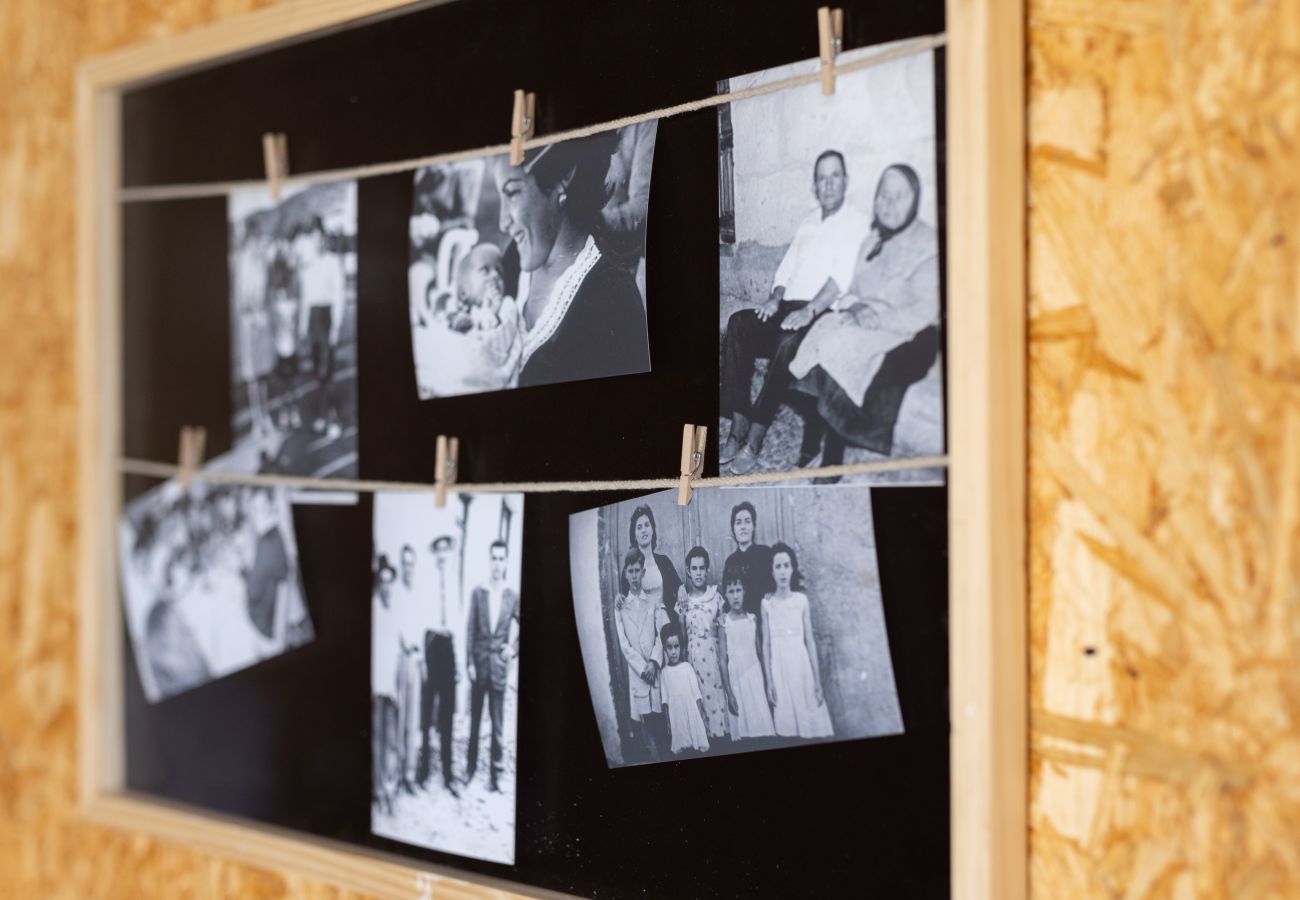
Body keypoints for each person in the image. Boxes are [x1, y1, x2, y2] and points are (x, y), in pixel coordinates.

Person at [720, 149, 871, 474]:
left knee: (789, 343)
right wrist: (774, 298)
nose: (828, 184)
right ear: (815, 185)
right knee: (738, 324)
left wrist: (809, 311)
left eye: (834, 176)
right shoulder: (808, 223)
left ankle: (756, 438)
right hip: (789, 307)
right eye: (822, 178)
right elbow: (786, 271)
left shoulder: (855, 222)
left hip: (823, 312)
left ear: (845, 181)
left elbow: (839, 279)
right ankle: (739, 426)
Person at [786, 163, 941, 473]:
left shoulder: (928, 243)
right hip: (862, 322)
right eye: (883, 195)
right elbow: (850, 291)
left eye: (899, 196)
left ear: (915, 200)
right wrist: (856, 308)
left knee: (837, 346)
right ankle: (820, 425)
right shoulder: (871, 242)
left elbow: (926, 309)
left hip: (905, 331)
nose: (889, 204)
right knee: (816, 335)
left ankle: (833, 447)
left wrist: (875, 318)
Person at [492, 133, 650, 387]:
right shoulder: (512, 261)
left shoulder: (612, 300)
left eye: (512, 193)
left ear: (561, 177)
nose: (503, 222)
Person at [761, 543, 834, 740]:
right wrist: (769, 682)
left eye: (787, 565)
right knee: (788, 727)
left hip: (801, 667)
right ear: (771, 571)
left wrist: (817, 680)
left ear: (793, 568)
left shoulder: (801, 601)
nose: (783, 571)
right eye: (778, 566)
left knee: (809, 721)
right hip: (780, 668)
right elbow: (766, 645)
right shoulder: (767, 603)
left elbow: (809, 640)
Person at [466, 539, 519, 792]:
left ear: (506, 561)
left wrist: (513, 648)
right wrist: (470, 663)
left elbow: (523, 625)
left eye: (501, 558)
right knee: (475, 721)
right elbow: (470, 629)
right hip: (479, 666)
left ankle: (496, 774)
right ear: (489, 560)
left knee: (498, 725)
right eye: (494, 558)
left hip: (498, 668)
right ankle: (470, 768)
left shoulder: (512, 595)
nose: (497, 564)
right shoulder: (479, 592)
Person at [613, 548, 670, 761]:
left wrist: (654, 662)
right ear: (626, 574)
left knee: (660, 721)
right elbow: (624, 644)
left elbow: (660, 634)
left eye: (638, 571)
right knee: (645, 726)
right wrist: (641, 667)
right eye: (631, 571)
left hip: (654, 671)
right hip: (638, 675)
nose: (635, 576)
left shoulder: (653, 601)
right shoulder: (621, 606)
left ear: (643, 572)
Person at [295, 219, 347, 439]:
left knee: (329, 372)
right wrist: (302, 326)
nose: (316, 241)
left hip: (326, 318)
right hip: (313, 320)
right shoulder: (308, 266)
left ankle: (334, 419)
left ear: (323, 237)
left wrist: (335, 326)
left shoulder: (333, 262)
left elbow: (339, 296)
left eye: (318, 236)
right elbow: (305, 299)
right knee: (318, 372)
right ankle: (322, 416)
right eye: (311, 237)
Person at [418, 534, 461, 797]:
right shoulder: (426, 584)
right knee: (426, 714)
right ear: (434, 555)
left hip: (449, 648)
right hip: (431, 645)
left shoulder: (454, 583)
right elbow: (420, 623)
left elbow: (457, 620)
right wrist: (423, 660)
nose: (443, 556)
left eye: (446, 551)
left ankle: (447, 773)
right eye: (439, 552)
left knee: (447, 714)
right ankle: (423, 771)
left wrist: (459, 662)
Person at [674, 546, 728, 742]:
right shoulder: (684, 601)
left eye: (701, 568)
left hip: (714, 659)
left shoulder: (716, 597)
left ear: (707, 570)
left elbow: (723, 630)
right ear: (688, 570)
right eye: (694, 568)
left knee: (718, 702)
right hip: (694, 660)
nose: (698, 573)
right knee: (700, 704)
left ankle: (723, 742)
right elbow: (682, 636)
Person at [718, 562, 776, 741]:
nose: (735, 596)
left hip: (755, 677)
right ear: (725, 594)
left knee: (760, 727)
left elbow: (759, 651)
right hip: (736, 680)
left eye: (739, 590)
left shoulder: (752, 619)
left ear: (744, 592)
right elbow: (722, 660)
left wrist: (767, 684)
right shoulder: (723, 622)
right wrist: (729, 693)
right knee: (743, 732)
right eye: (731, 591)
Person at [241, 487, 291, 656]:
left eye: (262, 508)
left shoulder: (273, 541)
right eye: (254, 510)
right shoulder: (263, 542)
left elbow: (283, 587)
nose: (258, 514)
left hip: (272, 636)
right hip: (264, 632)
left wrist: (278, 642)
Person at [657, 623, 711, 755]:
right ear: (665, 649)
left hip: (691, 712)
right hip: (676, 715)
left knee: (696, 746)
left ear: (681, 647)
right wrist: (669, 723)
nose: (673, 651)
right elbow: (665, 701)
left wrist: (702, 717)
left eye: (676, 646)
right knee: (683, 748)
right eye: (669, 647)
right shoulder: (664, 673)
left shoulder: (687, 667)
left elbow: (697, 695)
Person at [627, 504, 683, 629]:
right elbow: (627, 605)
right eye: (639, 527)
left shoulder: (664, 561)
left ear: (652, 530)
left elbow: (678, 585)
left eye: (647, 525)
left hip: (666, 624)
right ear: (634, 535)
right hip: (643, 628)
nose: (644, 530)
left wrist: (681, 590)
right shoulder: (630, 568)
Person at [721, 501, 774, 620]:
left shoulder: (765, 553)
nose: (743, 527)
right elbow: (728, 596)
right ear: (733, 529)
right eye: (738, 523)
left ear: (753, 526)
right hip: (741, 621)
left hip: (764, 620)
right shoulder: (731, 562)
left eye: (747, 521)